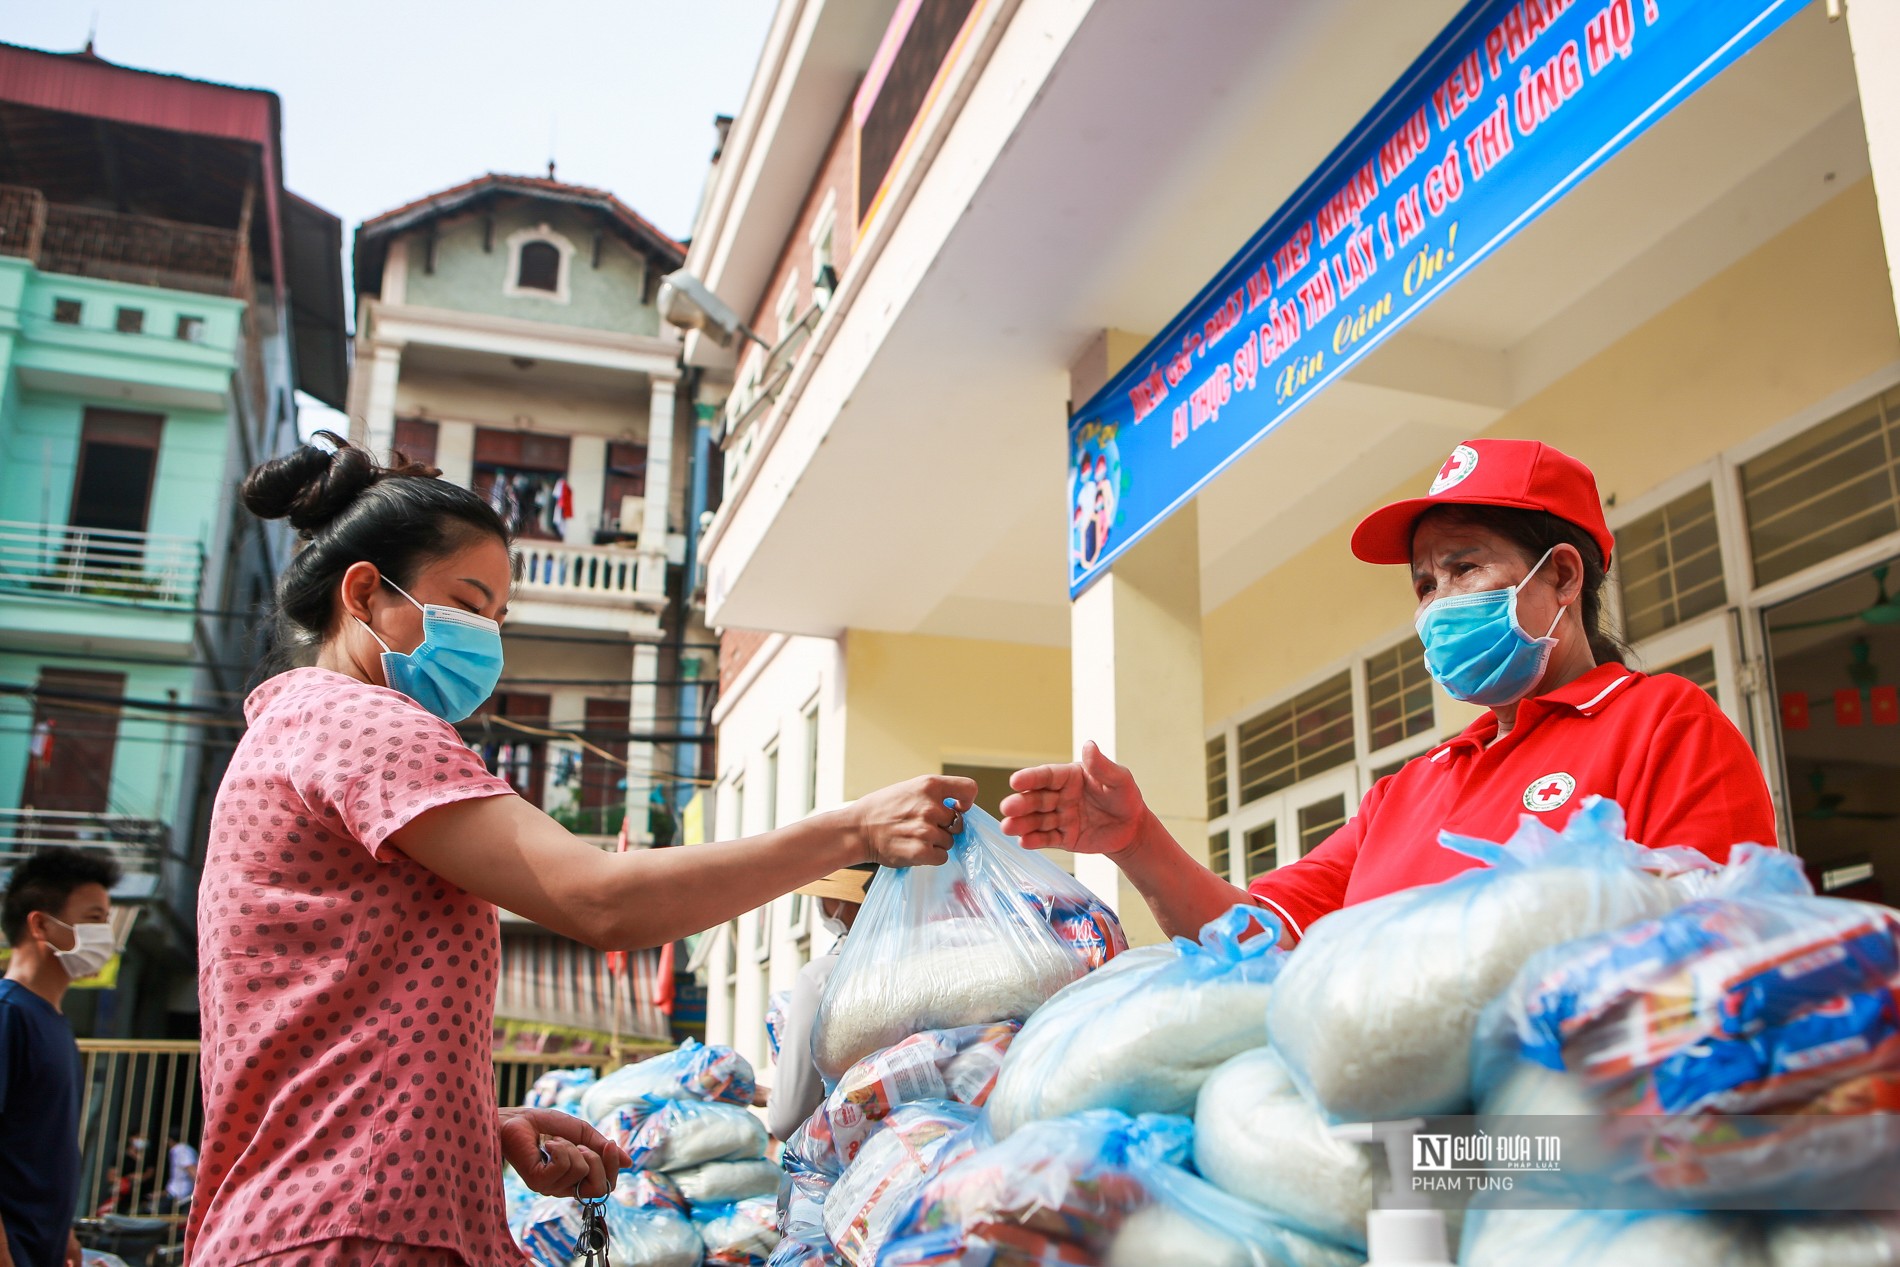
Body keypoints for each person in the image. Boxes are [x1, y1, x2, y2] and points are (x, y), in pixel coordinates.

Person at [189, 433, 975, 1267]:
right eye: (466, 601)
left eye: (496, 618)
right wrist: (850, 831)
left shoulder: (292, 731)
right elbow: (603, 900)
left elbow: (323, 1025)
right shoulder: (362, 724)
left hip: (332, 1214)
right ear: (363, 593)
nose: (488, 638)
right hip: (355, 1227)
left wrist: (476, 1125)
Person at [1004, 438, 1777, 942]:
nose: (1440, 602)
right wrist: (1137, 839)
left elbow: (1725, 956)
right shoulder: (1412, 790)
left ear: (1564, 574)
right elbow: (1251, 938)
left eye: (1464, 568)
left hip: (1567, 1158)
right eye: (1424, 583)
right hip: (1415, 1160)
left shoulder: (1662, 725)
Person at [1, 846, 122, 1267]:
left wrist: (63, 1233)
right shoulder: (8, 1015)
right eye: (94, 919)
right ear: (40, 924)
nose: (105, 935)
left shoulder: (52, 1022)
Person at [765, 864, 875, 1141]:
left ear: (841, 899)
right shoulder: (934, 958)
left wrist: (772, 1098)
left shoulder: (823, 976)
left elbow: (787, 1121)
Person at [162, 1135, 197, 1214]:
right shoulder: (181, 1149)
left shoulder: (181, 1150)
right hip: (178, 1193)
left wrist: (201, 1187)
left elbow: (191, 1168)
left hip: (181, 1195)